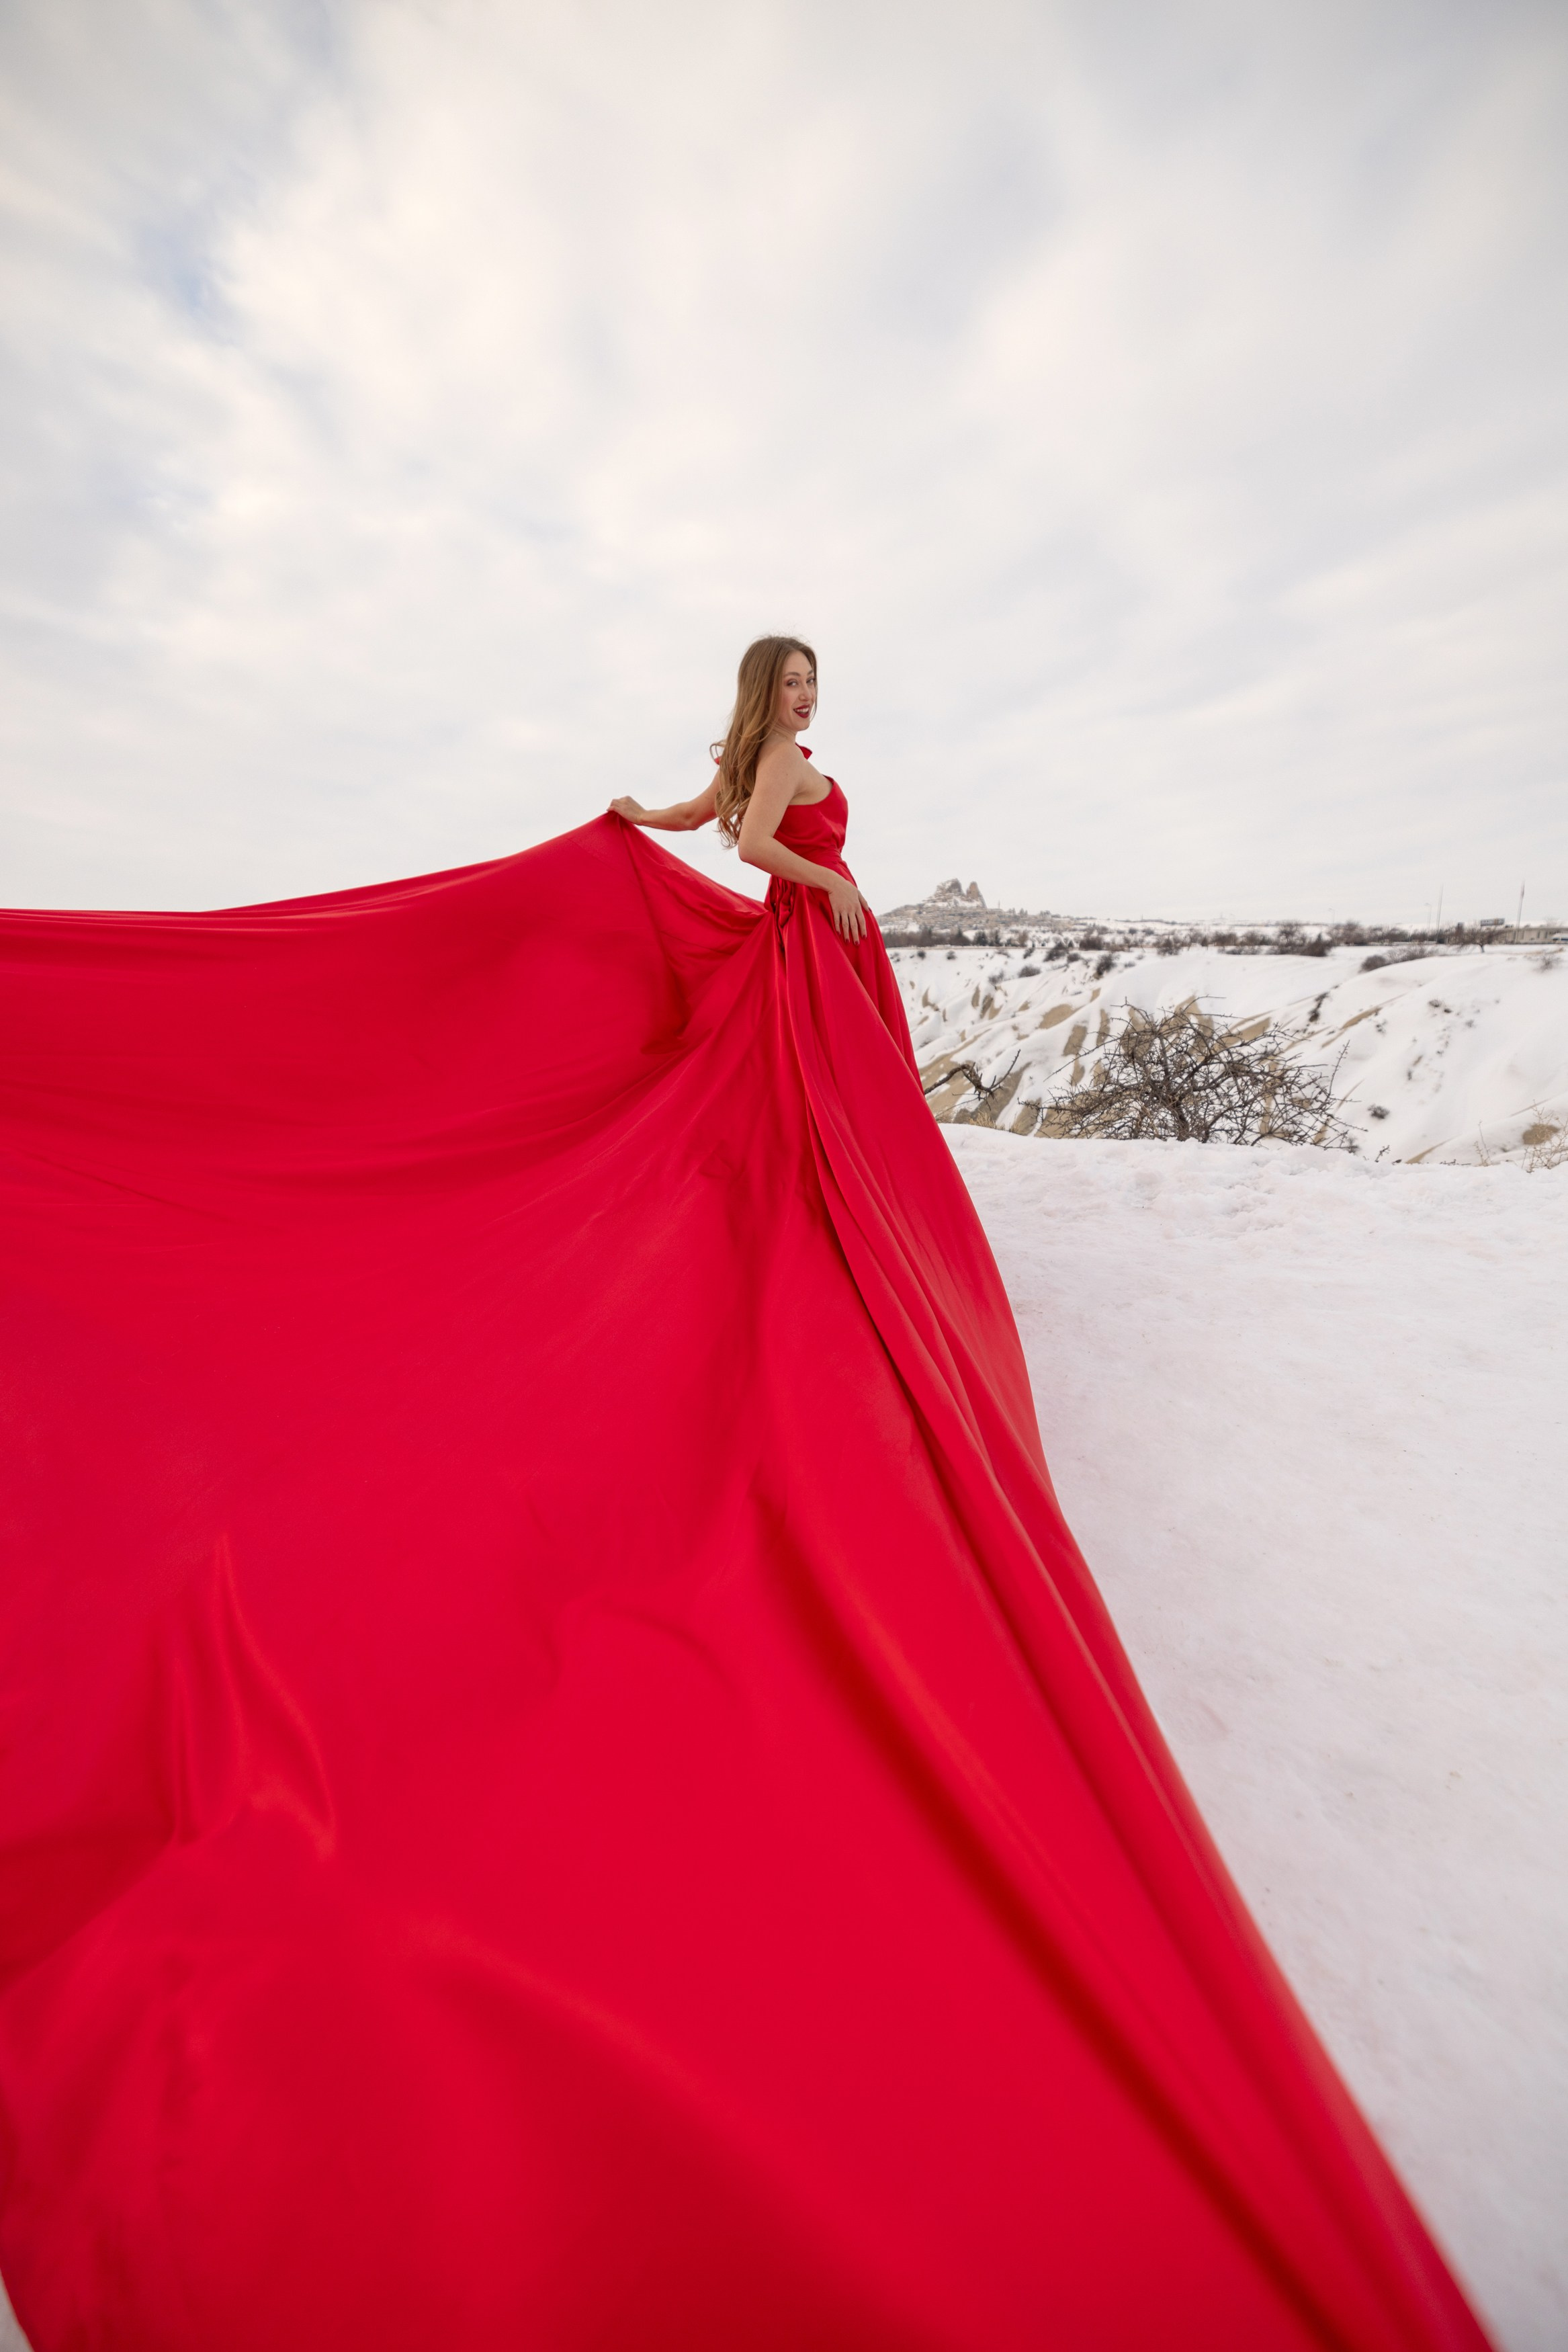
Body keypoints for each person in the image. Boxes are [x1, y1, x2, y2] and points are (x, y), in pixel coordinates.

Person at [0, 641, 1491, 2352]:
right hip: (807, 948)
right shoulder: (785, 783)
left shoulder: (753, 751)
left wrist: (641, 817)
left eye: (808, 684)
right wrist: (824, 898)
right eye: (789, 681)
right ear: (764, 688)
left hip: (810, 942)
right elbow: (758, 843)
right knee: (807, 1138)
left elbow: (699, 809)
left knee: (819, 1125)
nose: (805, 701)